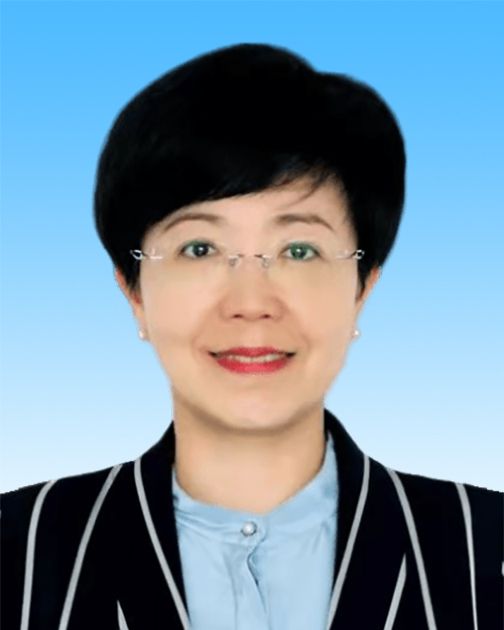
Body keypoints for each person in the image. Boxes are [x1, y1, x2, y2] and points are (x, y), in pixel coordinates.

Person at [1, 42, 502, 630]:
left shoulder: (485, 551)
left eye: (299, 250)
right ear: (133, 291)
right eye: (200, 248)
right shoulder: (19, 548)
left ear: (362, 287)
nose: (250, 304)